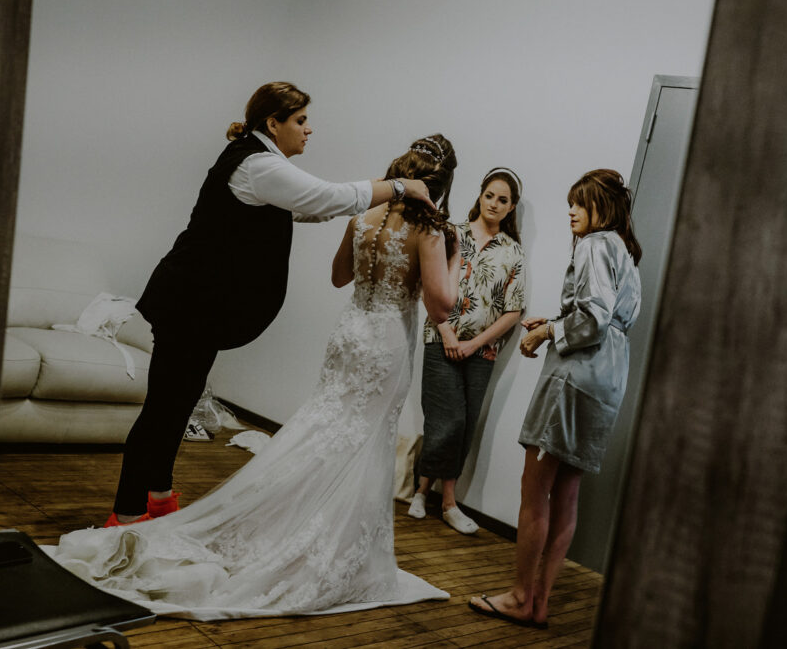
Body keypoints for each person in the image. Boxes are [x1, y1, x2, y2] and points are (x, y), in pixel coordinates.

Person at [47, 135, 462, 620]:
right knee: (362, 443)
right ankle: (337, 551)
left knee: (324, 429)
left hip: (350, 334)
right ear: (441, 182)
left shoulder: (363, 218)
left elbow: (338, 277)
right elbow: (441, 305)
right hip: (387, 341)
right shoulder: (433, 232)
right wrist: (455, 258)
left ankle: (277, 525)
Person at [107, 81, 436, 526]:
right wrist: (399, 186)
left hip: (196, 305)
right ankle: (126, 512)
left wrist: (378, 190)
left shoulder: (262, 165)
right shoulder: (257, 165)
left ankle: (160, 497)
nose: (308, 130)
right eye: (300, 120)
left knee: (179, 402)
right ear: (273, 123)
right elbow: (328, 196)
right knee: (164, 408)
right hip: (187, 301)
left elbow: (313, 208)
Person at [468, 169, 642, 628]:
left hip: (574, 380)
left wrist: (548, 331)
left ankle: (521, 596)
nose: (571, 212)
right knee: (567, 493)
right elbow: (608, 319)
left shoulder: (593, 245)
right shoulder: (624, 251)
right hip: (607, 382)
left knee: (535, 489)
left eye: (579, 204)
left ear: (601, 209)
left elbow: (594, 319)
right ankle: (539, 603)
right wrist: (560, 319)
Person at [408, 167, 527, 534]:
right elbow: (427, 287)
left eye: (502, 200)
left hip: (482, 352)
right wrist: (446, 332)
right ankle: (432, 496)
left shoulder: (513, 252)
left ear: (511, 208)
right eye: (489, 195)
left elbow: (513, 310)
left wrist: (476, 342)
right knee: (447, 420)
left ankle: (436, 496)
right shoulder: (450, 235)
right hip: (440, 340)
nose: (494, 203)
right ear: (480, 196)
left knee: (464, 425)